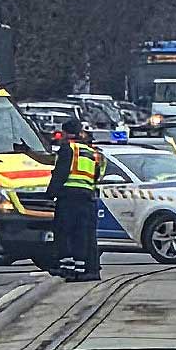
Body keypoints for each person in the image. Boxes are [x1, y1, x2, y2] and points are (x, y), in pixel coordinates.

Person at [46, 118, 104, 282]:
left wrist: (50, 193)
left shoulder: (68, 149)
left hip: (69, 197)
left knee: (65, 233)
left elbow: (61, 173)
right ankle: (84, 269)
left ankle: (67, 269)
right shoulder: (92, 152)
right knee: (84, 235)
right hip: (87, 198)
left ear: (65, 133)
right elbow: (97, 175)